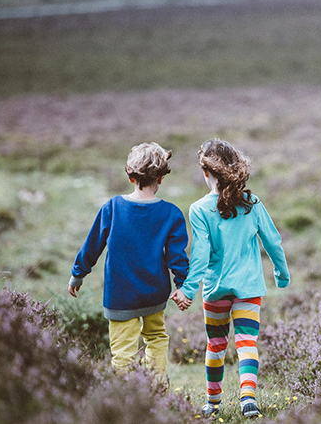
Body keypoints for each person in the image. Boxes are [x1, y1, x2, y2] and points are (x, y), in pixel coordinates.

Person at [175, 139, 290, 419]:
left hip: (215, 290)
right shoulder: (252, 203)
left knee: (216, 345)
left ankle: (212, 403)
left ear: (206, 173)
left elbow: (200, 255)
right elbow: (273, 241)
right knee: (247, 342)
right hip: (249, 288)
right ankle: (248, 399)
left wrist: (188, 290)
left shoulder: (199, 209)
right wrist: (281, 273)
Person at [68, 142, 189, 385]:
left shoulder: (112, 208)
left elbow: (93, 245)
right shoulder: (171, 213)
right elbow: (178, 256)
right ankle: (157, 388)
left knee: (123, 351)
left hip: (120, 295)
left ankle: (126, 397)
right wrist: (182, 285)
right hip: (155, 294)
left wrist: (78, 273)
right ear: (161, 178)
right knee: (156, 336)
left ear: (130, 176)